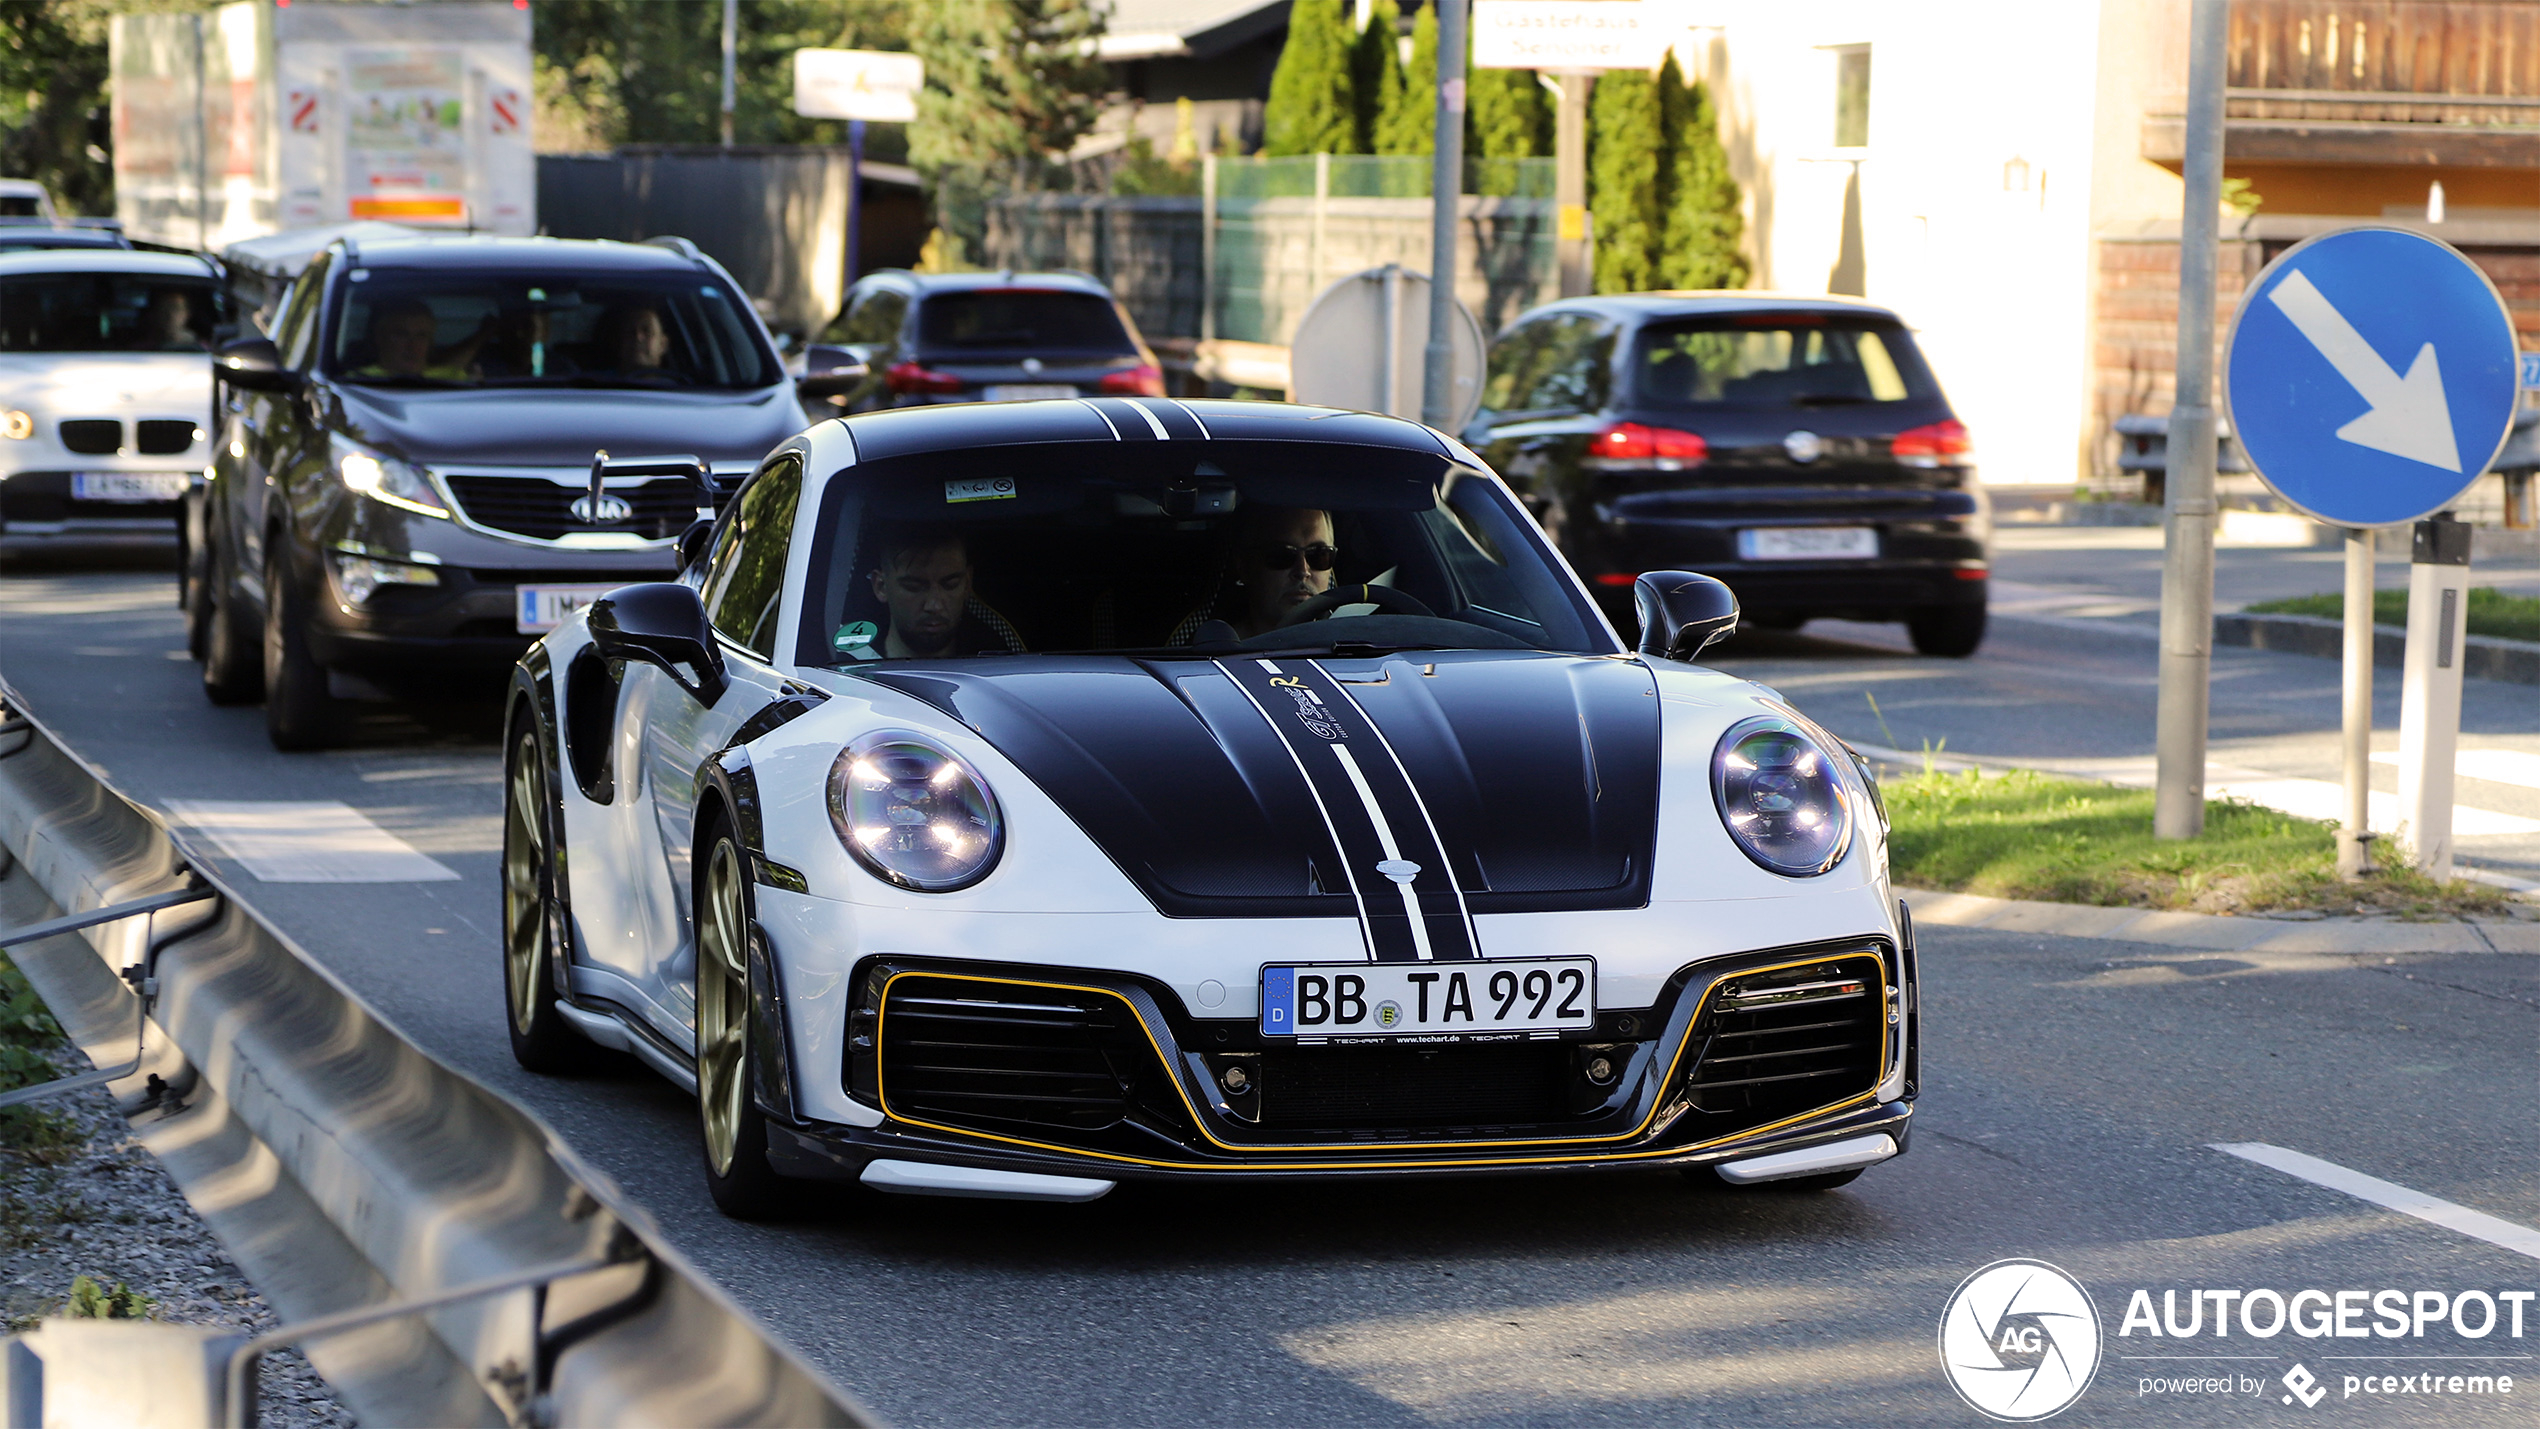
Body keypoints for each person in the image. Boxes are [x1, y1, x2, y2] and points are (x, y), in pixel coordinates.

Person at [851, 528, 1016, 660]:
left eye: (950, 585)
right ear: (881, 587)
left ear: (967, 583)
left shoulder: (998, 660)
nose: (934, 605)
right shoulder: (846, 667)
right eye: (914, 587)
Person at [1227, 506, 1338, 638]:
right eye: (1281, 556)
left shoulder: (1353, 649)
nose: (1303, 571)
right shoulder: (1213, 653)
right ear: (1244, 567)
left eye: (1319, 555)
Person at [350, 298, 475, 380]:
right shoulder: (355, 381)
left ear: (430, 342)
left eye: (421, 336)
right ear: (380, 338)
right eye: (401, 335)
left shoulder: (454, 378)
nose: (413, 346)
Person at [599, 303, 672, 375]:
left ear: (663, 344)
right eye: (631, 331)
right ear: (620, 341)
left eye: (647, 331)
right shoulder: (596, 382)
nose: (638, 337)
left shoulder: (677, 384)